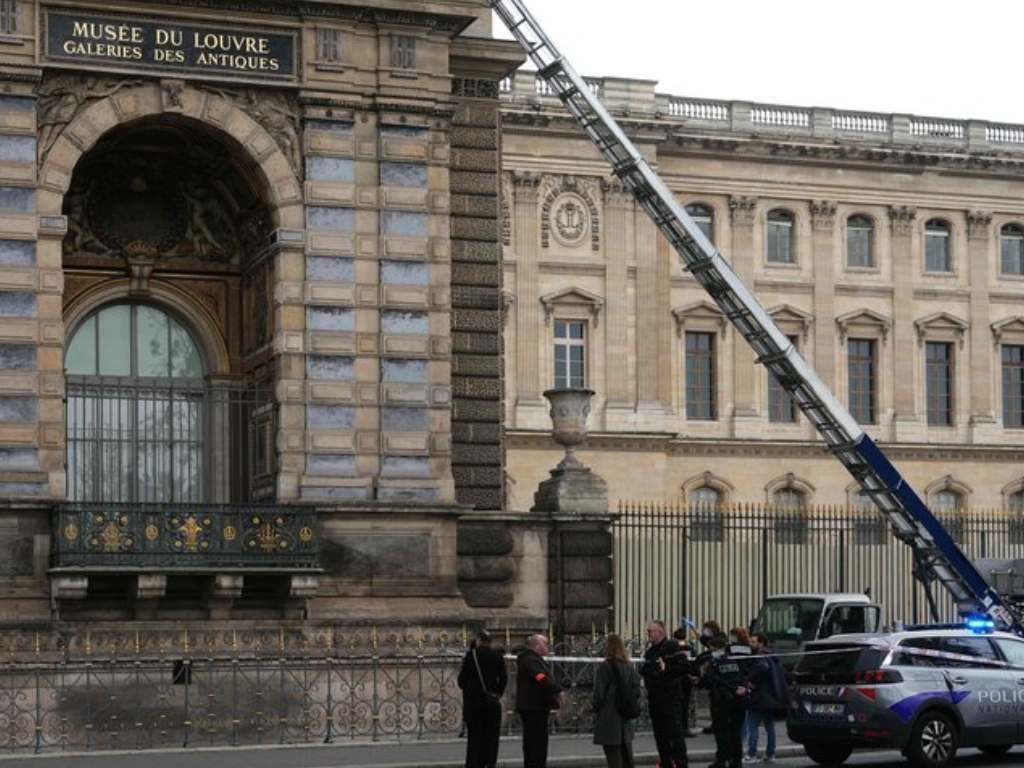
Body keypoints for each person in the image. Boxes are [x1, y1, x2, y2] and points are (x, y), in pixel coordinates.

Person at [640, 620, 690, 768]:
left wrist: (665, 669)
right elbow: (647, 670)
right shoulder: (650, 651)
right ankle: (666, 763)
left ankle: (681, 764)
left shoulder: (672, 646)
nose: (648, 634)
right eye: (648, 631)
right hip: (655, 698)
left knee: (675, 735)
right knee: (660, 736)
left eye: (651, 631)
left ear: (660, 632)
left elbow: (684, 667)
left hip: (671, 697)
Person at [702, 627, 753, 768]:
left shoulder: (715, 662)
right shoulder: (738, 659)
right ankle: (735, 761)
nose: (712, 652)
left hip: (722, 701)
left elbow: (709, 680)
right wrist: (742, 687)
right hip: (739, 700)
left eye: (712, 649)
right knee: (736, 733)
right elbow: (745, 674)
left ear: (717, 649)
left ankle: (722, 760)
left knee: (722, 733)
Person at [458, 629, 508, 768]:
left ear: (478, 641)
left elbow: (461, 681)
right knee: (492, 737)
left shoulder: (470, 656)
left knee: (474, 738)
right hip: (492, 702)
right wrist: (497, 693)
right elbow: (504, 678)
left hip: (473, 704)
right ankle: (489, 763)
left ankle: (474, 764)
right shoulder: (497, 656)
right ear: (490, 642)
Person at [593, 634, 642, 768]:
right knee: (626, 754)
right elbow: (637, 689)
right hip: (624, 717)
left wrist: (596, 708)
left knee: (613, 757)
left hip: (609, 716)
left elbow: (598, 694)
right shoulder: (628, 666)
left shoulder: (605, 667)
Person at [516, 634, 563, 768]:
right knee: (535, 742)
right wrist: (556, 689)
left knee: (539, 741)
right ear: (537, 646)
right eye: (545, 644)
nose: (548, 646)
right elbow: (540, 676)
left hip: (538, 706)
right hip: (533, 707)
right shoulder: (530, 660)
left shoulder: (534, 659)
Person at [742, 633, 779, 764]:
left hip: (758, 696)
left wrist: (749, 679)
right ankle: (770, 753)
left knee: (752, 725)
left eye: (753, 642)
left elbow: (762, 667)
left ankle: (752, 754)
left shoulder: (760, 655)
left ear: (761, 643)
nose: (750, 644)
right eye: (750, 641)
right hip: (769, 697)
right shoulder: (771, 655)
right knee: (769, 726)